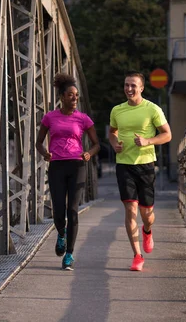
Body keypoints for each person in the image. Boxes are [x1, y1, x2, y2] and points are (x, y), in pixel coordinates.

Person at [108, 71, 172, 271]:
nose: (129, 89)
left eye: (133, 85)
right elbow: (112, 132)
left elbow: (167, 134)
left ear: (141, 88)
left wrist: (147, 141)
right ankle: (137, 255)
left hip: (145, 165)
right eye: (126, 85)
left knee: (147, 214)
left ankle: (147, 230)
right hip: (124, 165)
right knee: (130, 209)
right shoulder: (117, 110)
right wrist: (114, 144)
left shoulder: (152, 109)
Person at [36, 73, 100, 270]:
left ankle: (69, 254)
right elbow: (38, 143)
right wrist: (45, 153)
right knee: (58, 210)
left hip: (77, 165)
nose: (75, 99)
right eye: (71, 95)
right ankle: (61, 234)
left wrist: (89, 153)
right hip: (57, 166)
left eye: (77, 95)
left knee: (73, 210)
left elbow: (97, 144)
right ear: (62, 97)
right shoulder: (49, 117)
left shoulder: (83, 119)